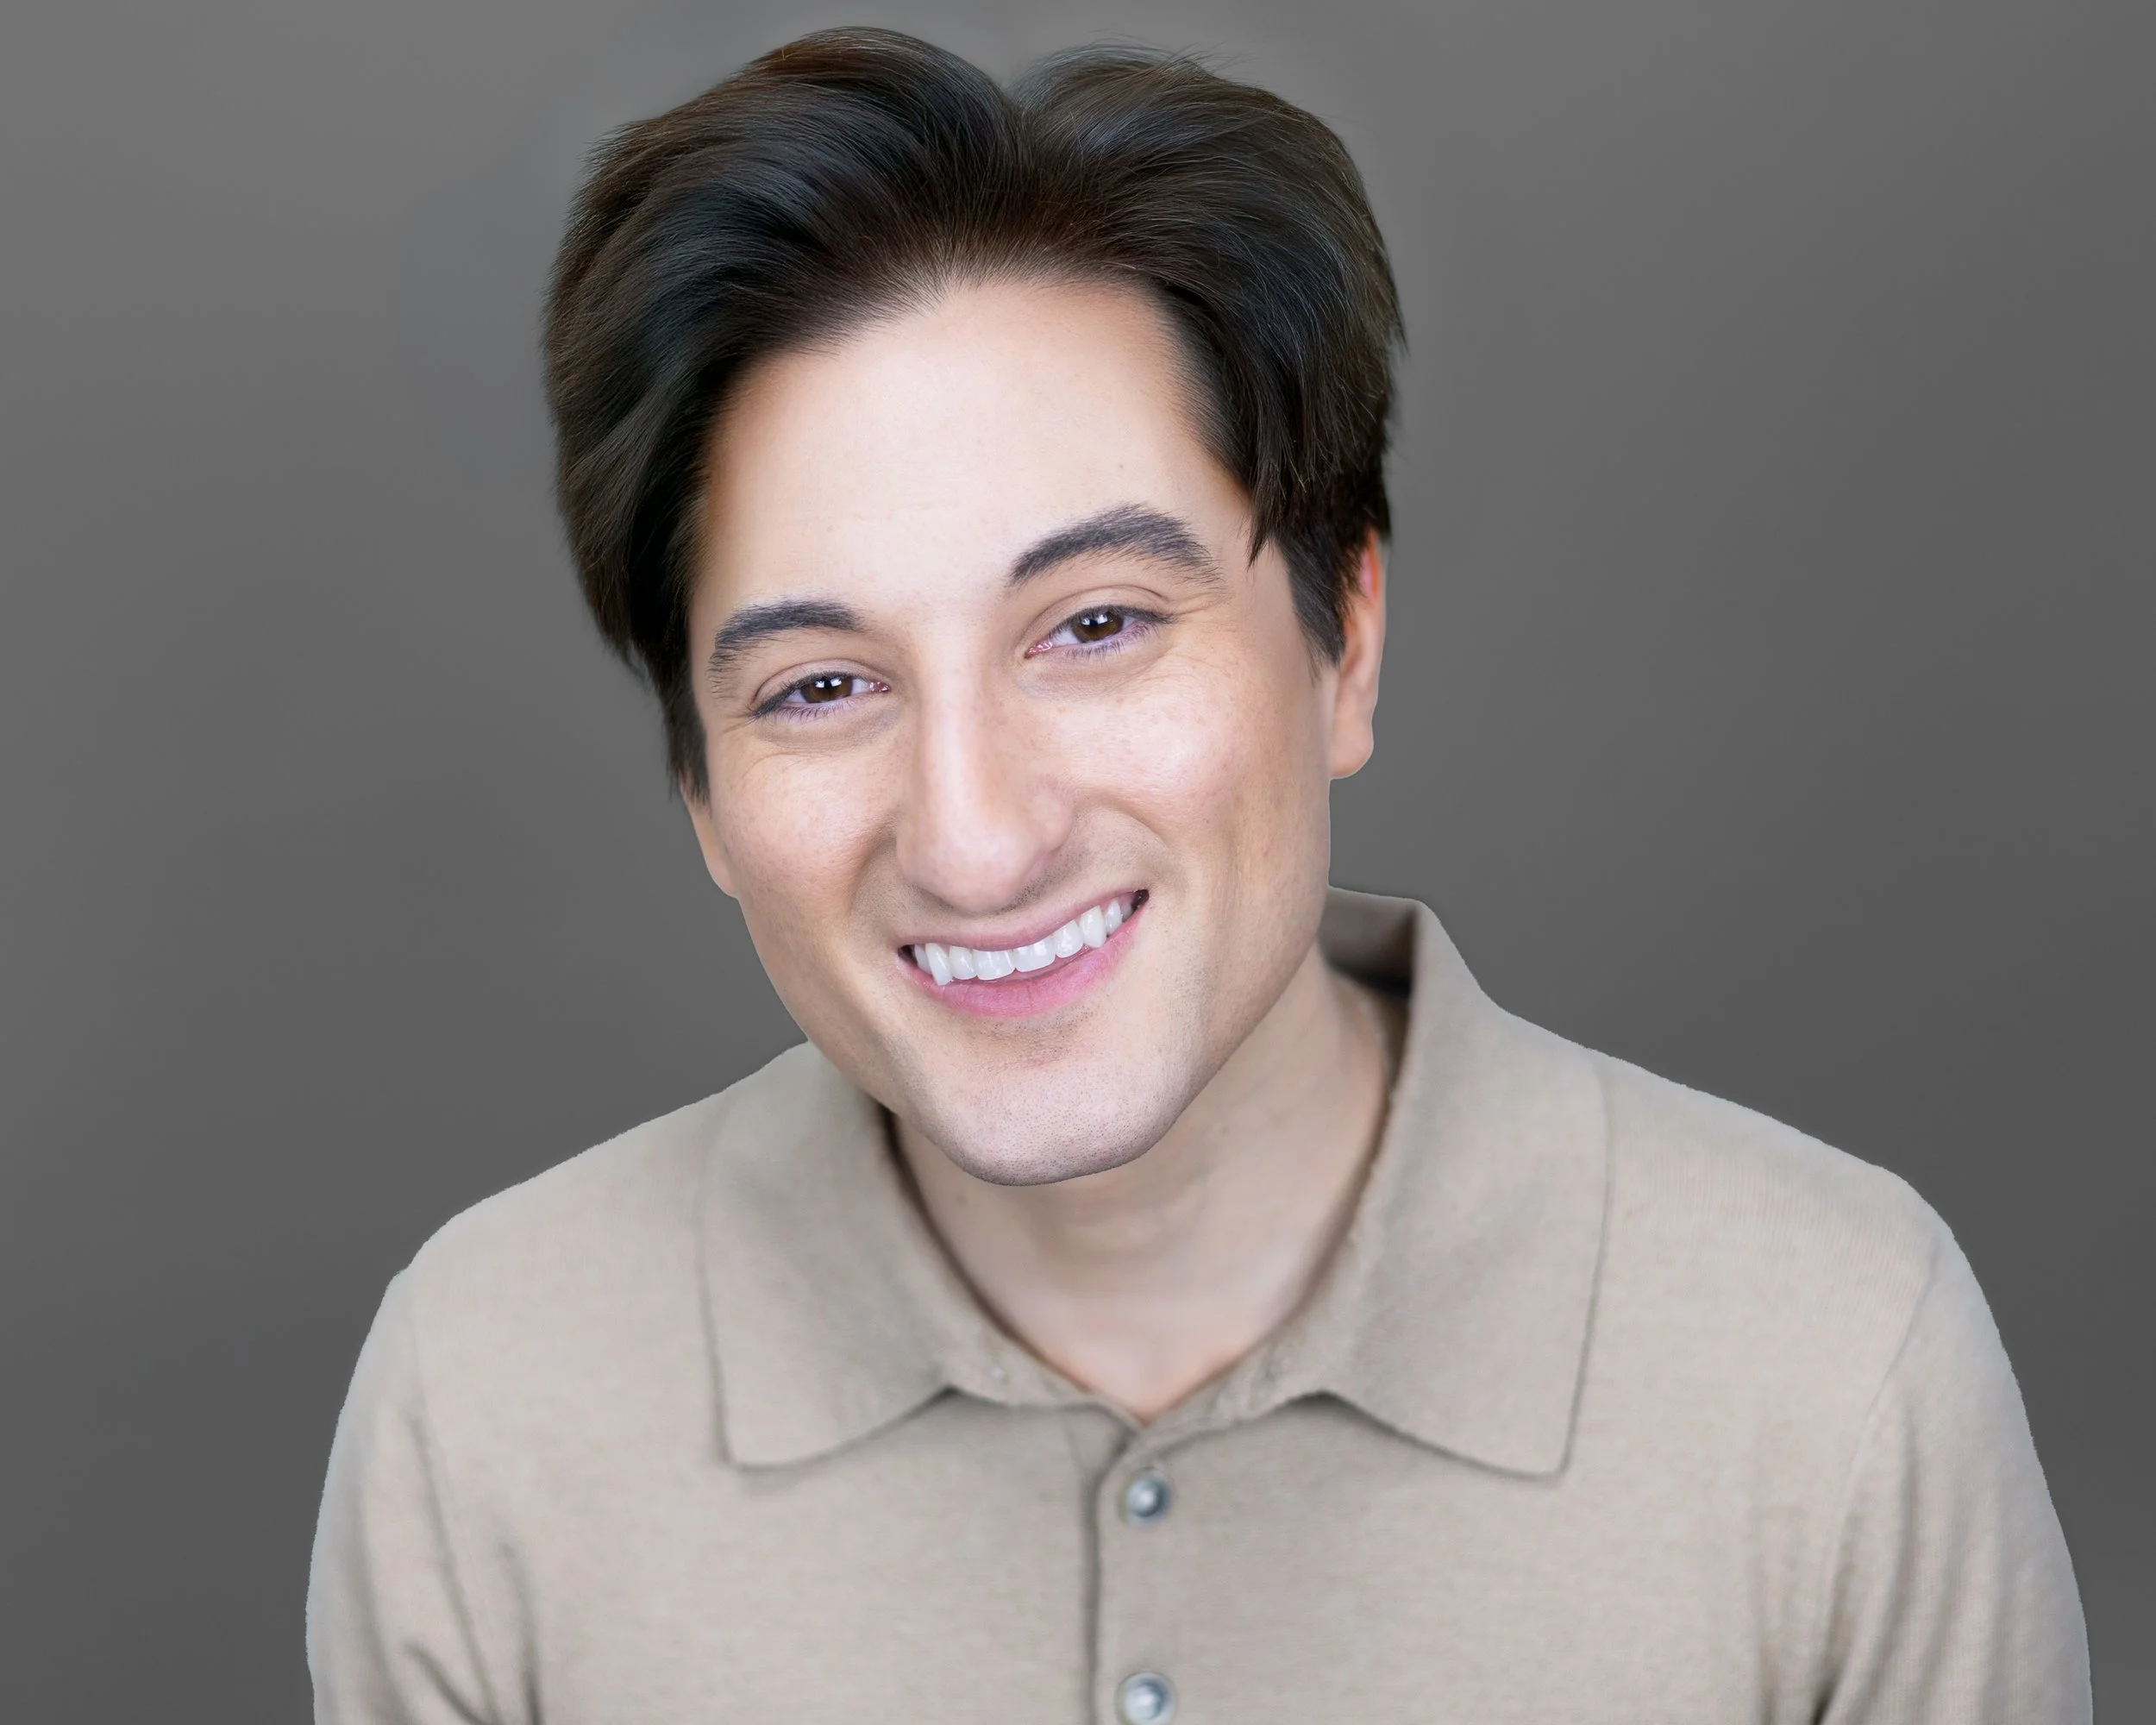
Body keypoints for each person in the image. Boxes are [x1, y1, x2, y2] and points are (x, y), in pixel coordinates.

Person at [307, 28, 2088, 1723]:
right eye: (819, 686)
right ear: (699, 787)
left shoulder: (1833, 1358)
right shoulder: (492, 1389)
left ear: (1345, 642)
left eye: (1092, 625)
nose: (974, 836)